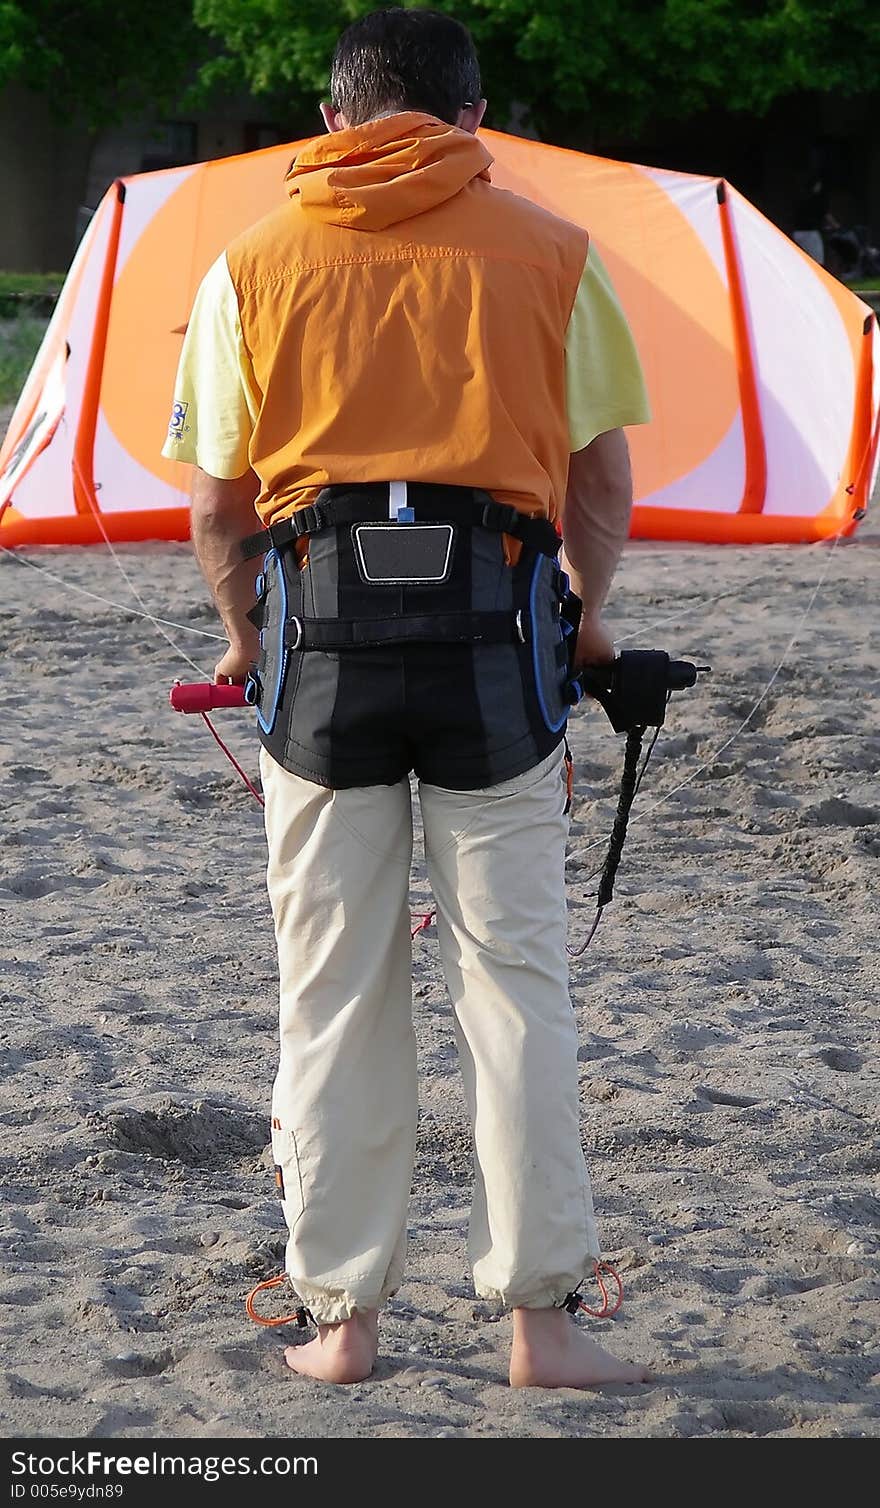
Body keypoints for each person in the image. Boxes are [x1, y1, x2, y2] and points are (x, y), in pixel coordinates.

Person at [163, 6, 652, 1389]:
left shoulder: (249, 265)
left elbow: (217, 504)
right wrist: (591, 622)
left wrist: (244, 635)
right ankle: (542, 1326)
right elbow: (603, 486)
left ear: (333, 118)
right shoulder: (556, 254)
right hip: (498, 654)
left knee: (331, 999)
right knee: (517, 988)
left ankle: (344, 1325)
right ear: (474, 116)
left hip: (322, 656)